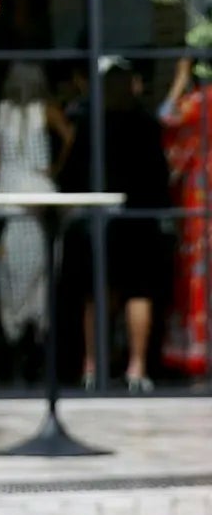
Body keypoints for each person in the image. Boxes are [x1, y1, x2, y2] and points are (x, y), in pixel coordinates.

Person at [66, 60, 173, 392]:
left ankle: (91, 367)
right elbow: (160, 174)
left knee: (97, 293)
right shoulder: (146, 124)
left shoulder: (90, 124)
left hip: (100, 218)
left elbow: (73, 173)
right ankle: (136, 369)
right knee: (138, 292)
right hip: (138, 219)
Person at [0, 63, 59, 364]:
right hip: (33, 194)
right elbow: (71, 137)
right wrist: (52, 171)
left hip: (11, 193)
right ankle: (31, 328)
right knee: (37, 265)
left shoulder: (2, 112)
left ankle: (18, 328)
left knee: (13, 267)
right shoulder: (43, 110)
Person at [160, 57, 212, 377]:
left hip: (200, 193)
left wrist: (179, 79)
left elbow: (166, 117)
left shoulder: (199, 101)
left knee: (198, 271)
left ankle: (199, 350)